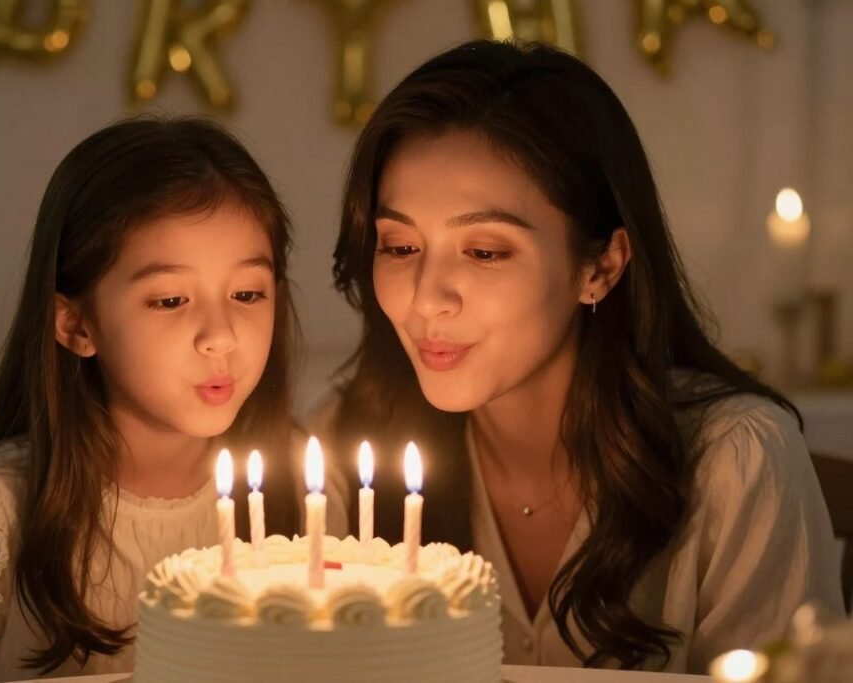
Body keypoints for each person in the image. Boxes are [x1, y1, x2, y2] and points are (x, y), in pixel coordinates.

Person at [320, 40, 843, 673]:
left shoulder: (737, 459)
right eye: (400, 247)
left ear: (599, 266)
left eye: (485, 252)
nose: (427, 297)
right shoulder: (347, 443)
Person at [0, 116, 345, 682]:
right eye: (172, 299)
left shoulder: (302, 490)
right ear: (77, 324)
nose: (221, 335)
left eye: (248, 293)